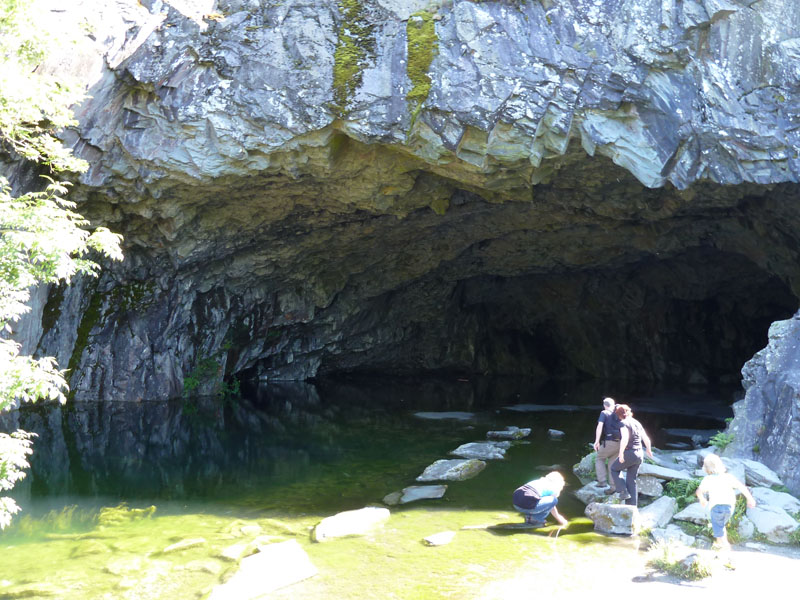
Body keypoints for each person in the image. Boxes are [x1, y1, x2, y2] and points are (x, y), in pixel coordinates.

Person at [695, 453, 756, 553]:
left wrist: (702, 500)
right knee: (720, 527)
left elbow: (699, 491)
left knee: (719, 529)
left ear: (706, 468)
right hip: (729, 508)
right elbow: (741, 487)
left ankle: (726, 549)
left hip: (716, 507)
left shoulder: (708, 479)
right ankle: (719, 546)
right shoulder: (728, 477)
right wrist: (750, 499)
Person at [607, 404, 653, 506]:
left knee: (614, 469)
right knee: (631, 480)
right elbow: (646, 438)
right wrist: (649, 450)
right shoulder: (637, 423)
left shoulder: (623, 423)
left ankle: (623, 491)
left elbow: (625, 438)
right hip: (639, 453)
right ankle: (632, 506)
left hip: (630, 452)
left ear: (619, 415)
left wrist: (621, 453)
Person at [592, 397, 622, 488]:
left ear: (605, 405)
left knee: (600, 458)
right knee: (612, 464)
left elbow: (600, 426)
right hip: (620, 443)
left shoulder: (604, 413)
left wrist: (596, 441)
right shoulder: (619, 413)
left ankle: (602, 481)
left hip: (609, 441)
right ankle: (613, 486)